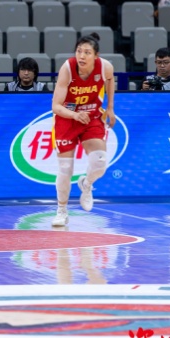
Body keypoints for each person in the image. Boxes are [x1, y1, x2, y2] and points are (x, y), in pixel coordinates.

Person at [49, 33, 116, 227]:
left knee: (100, 162)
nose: (82, 56)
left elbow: (110, 80)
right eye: (79, 51)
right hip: (67, 119)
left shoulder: (105, 67)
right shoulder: (67, 69)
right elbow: (55, 106)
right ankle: (61, 210)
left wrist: (110, 107)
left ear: (96, 56)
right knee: (65, 168)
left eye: (87, 52)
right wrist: (74, 115)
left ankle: (87, 184)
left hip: (91, 117)